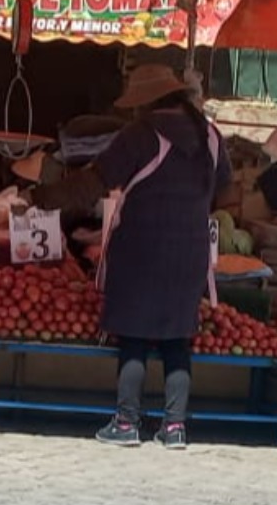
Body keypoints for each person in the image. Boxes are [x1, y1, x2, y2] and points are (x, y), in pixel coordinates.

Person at [31, 64, 231, 449]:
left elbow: (93, 183)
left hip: (141, 249)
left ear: (146, 102)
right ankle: (175, 427)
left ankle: (126, 422)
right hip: (190, 250)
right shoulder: (211, 136)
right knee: (177, 340)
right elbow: (226, 193)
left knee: (135, 337)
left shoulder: (140, 134)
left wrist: (41, 198)